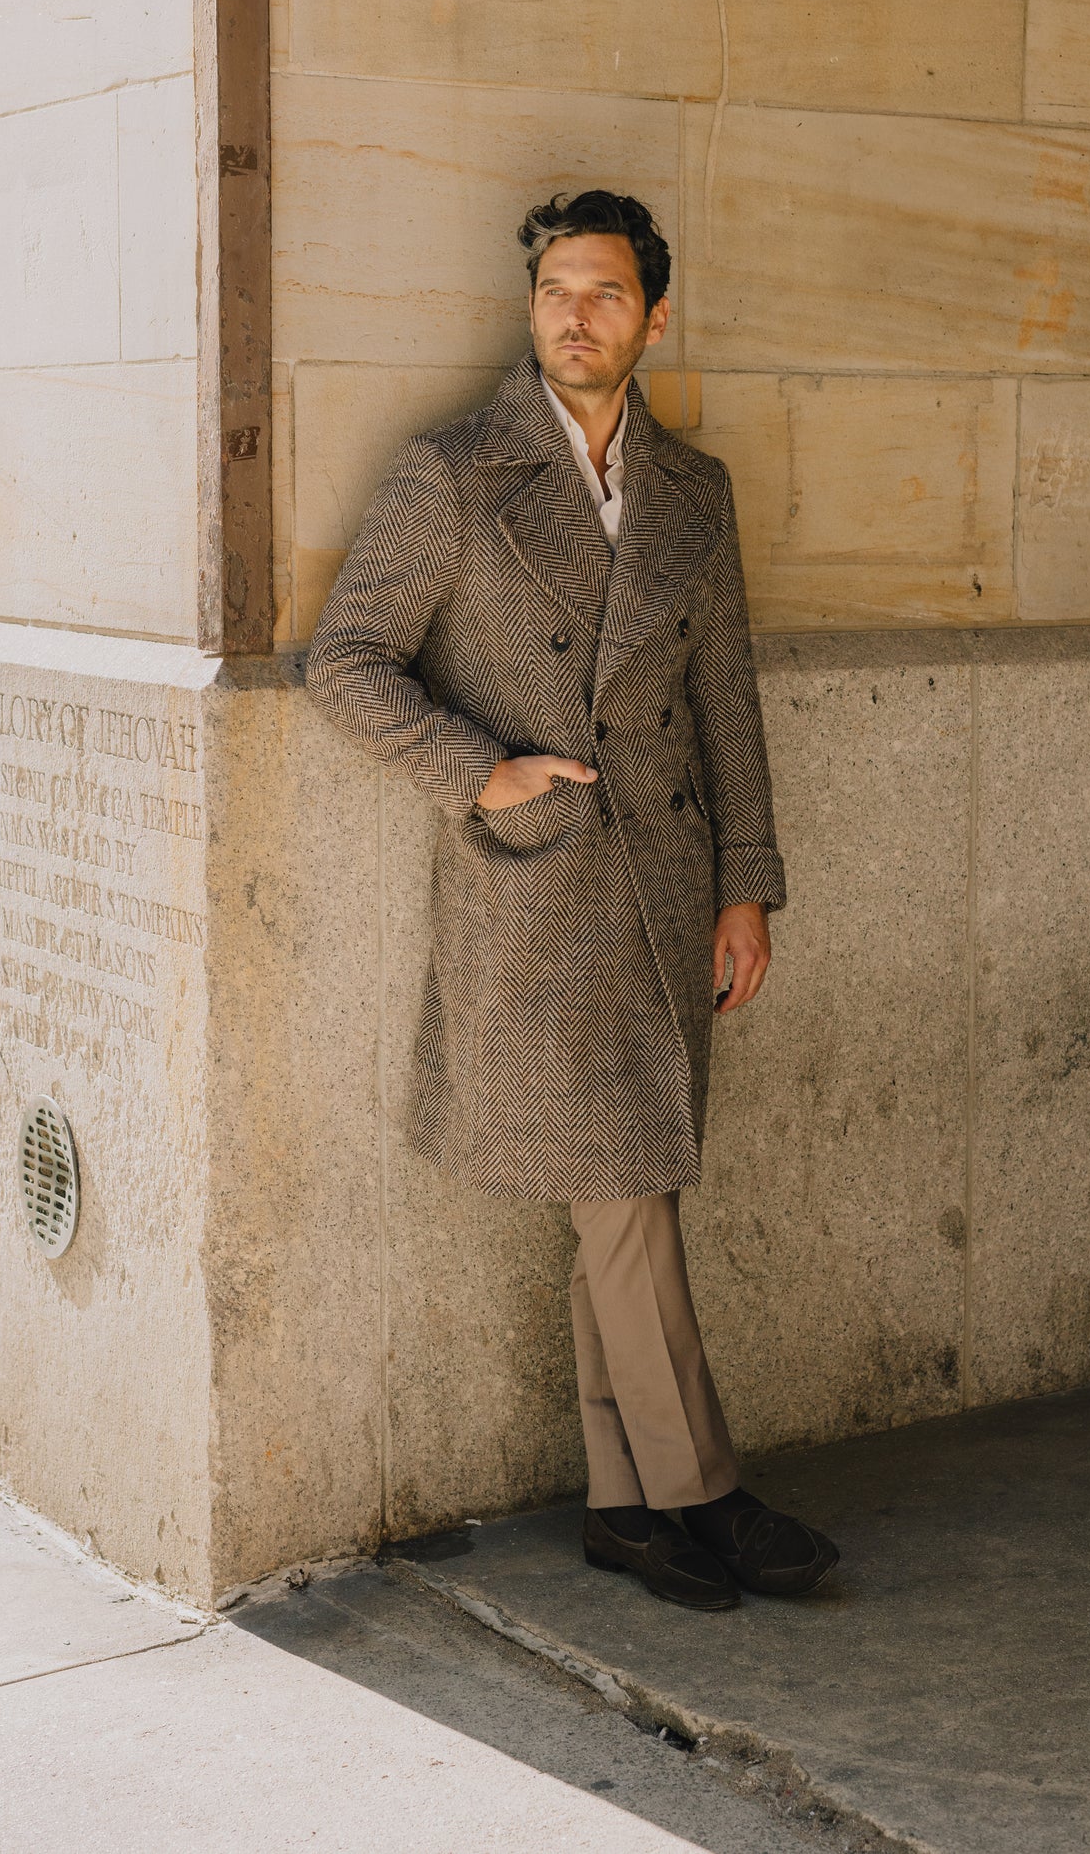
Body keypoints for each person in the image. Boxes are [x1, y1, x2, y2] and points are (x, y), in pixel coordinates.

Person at [307, 190, 838, 1610]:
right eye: (555, 290)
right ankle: (704, 1492)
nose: (573, 313)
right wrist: (480, 775)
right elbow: (345, 663)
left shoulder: (694, 491)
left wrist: (748, 887)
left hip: (666, 891)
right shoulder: (453, 474)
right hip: (533, 892)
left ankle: (624, 1510)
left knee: (631, 1189)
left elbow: (724, 699)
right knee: (619, 1194)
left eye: (602, 292)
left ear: (652, 316)